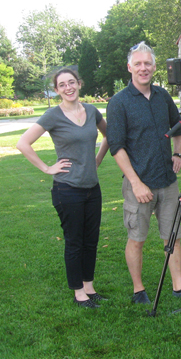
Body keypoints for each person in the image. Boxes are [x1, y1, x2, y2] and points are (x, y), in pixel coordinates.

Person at [106, 41, 181, 304]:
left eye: (148, 63)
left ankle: (179, 287)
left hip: (168, 183)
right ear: (129, 67)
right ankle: (139, 290)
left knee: (174, 236)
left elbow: (178, 127)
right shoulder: (119, 102)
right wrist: (136, 183)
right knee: (137, 239)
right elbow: (116, 147)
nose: (143, 68)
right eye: (138, 64)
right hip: (140, 185)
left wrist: (177, 153)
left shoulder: (162, 96)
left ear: (155, 67)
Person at [16, 68, 109, 309]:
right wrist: (47, 168)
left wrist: (98, 158)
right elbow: (22, 143)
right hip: (67, 189)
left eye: (72, 82)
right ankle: (79, 293)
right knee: (75, 241)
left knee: (91, 241)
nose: (68, 87)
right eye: (62, 85)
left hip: (92, 188)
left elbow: (110, 134)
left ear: (79, 84)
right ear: (57, 90)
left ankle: (89, 287)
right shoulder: (52, 115)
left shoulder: (91, 111)